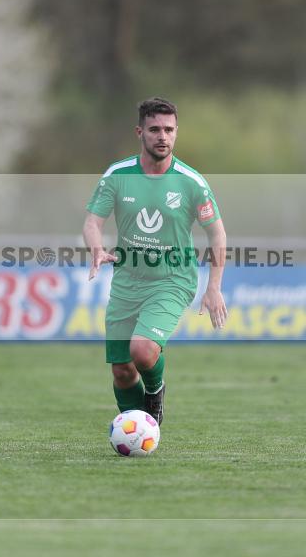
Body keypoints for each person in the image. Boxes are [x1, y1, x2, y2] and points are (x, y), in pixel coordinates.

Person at [83, 97, 228, 425]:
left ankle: (155, 391)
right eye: (155, 130)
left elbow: (217, 234)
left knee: (143, 350)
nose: (163, 136)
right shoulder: (118, 175)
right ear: (140, 132)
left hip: (172, 280)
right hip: (127, 281)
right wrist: (96, 248)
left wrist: (214, 287)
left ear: (176, 132)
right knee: (122, 371)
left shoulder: (191, 182)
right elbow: (92, 222)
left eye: (169, 130)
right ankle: (138, 430)